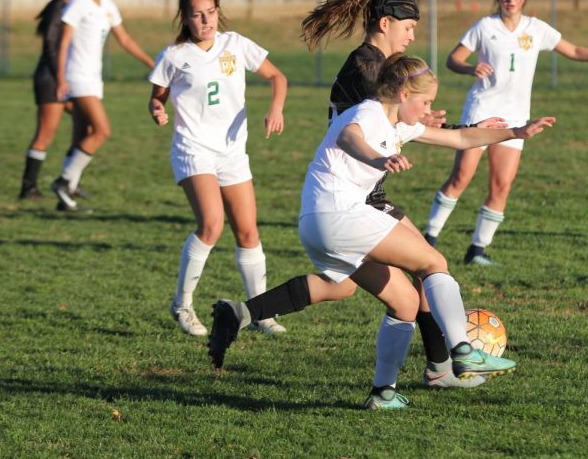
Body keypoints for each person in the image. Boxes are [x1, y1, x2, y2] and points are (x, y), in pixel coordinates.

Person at [208, 54, 556, 410]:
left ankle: (383, 393)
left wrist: (516, 132)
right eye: (426, 102)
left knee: (404, 302)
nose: (428, 110)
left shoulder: (397, 124)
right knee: (433, 262)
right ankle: (462, 352)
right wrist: (377, 159)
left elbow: (462, 138)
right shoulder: (369, 113)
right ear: (403, 94)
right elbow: (348, 136)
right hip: (339, 214)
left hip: (318, 224)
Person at [302, 0, 491, 388]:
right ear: (386, 23)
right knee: (426, 266)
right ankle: (445, 363)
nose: (411, 37)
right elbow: (363, 127)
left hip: (358, 192)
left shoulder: (379, 67)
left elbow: (412, 120)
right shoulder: (367, 66)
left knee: (414, 285)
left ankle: (425, 372)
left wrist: (428, 119)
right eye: (408, 29)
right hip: (354, 196)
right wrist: (412, 123)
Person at [424, 0, 588, 265]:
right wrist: (469, 68)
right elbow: (453, 59)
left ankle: (477, 250)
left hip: (515, 117)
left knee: (501, 185)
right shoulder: (485, 27)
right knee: (461, 177)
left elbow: (573, 50)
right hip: (481, 110)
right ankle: (430, 239)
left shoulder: (536, 29)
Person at [148, 0, 288, 337]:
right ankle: (182, 306)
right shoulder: (174, 56)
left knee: (247, 230)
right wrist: (157, 109)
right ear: (185, 17)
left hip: (232, 151)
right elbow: (157, 95)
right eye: (197, 15)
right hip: (193, 148)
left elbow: (277, 77)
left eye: (211, 12)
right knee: (211, 224)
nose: (206, 21)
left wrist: (276, 108)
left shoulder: (235, 44)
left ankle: (261, 312)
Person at [50, 0, 154, 212]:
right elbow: (63, 43)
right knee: (102, 131)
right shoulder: (78, 3)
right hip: (77, 77)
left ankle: (67, 196)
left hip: (93, 78)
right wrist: (61, 78)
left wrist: (153, 64)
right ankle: (63, 182)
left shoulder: (108, 5)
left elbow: (125, 40)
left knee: (81, 135)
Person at [18, 0, 85, 200]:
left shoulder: (72, 5)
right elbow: (52, 46)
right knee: (45, 134)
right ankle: (28, 188)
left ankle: (69, 181)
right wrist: (61, 79)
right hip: (53, 80)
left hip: (64, 79)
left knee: (86, 126)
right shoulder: (62, 7)